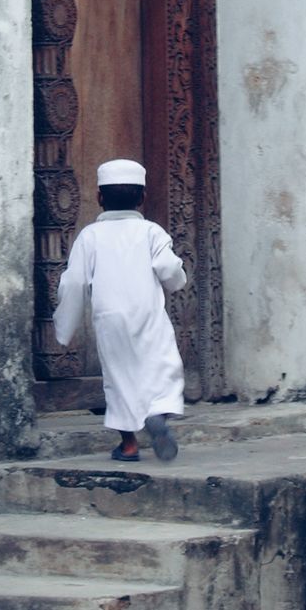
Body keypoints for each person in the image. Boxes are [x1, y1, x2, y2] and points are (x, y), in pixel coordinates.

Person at [53, 159, 186, 462]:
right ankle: (157, 413)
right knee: (162, 364)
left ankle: (128, 445)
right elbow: (169, 270)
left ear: (99, 198)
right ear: (142, 198)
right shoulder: (151, 232)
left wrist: (65, 327)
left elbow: (73, 282)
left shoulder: (90, 236)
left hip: (110, 319)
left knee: (119, 376)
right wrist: (178, 280)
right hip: (148, 314)